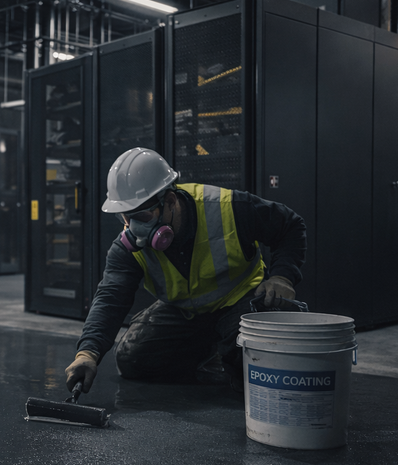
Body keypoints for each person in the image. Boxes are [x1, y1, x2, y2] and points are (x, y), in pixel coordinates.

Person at [65, 147, 306, 393]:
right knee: (133, 360)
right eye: (126, 218)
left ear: (170, 201)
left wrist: (281, 277)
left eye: (143, 217)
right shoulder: (128, 248)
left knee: (251, 359)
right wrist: (87, 353)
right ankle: (208, 352)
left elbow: (291, 226)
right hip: (184, 312)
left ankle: (226, 350)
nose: (134, 229)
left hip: (238, 301)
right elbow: (110, 297)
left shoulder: (230, 207)